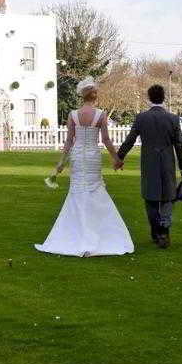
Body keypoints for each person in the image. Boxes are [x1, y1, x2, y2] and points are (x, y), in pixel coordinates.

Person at [35, 77, 134, 257]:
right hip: (92, 156)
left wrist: (61, 162)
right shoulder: (101, 115)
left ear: (82, 96)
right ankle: (100, 235)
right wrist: (116, 158)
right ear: (94, 95)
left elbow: (69, 141)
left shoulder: (73, 115)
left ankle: (76, 234)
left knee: (77, 191)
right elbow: (105, 139)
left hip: (78, 157)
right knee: (95, 190)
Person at [115, 84, 182, 249]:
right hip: (167, 163)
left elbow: (130, 140)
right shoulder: (173, 119)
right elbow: (179, 146)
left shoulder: (141, 118)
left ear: (149, 98)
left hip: (149, 164)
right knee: (168, 198)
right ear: (164, 98)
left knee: (150, 199)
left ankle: (157, 232)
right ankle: (164, 232)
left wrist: (119, 157)